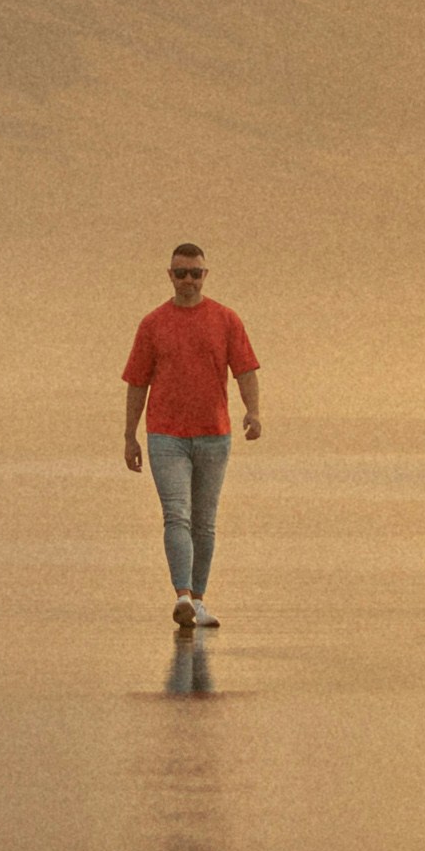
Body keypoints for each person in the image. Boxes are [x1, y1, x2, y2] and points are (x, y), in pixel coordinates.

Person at [117, 242, 263, 632]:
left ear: (205, 275)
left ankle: (198, 600)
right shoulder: (153, 324)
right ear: (169, 275)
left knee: (205, 522)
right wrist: (129, 436)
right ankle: (182, 594)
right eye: (180, 273)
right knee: (176, 514)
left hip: (215, 436)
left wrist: (253, 411)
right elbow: (137, 382)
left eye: (195, 273)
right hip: (166, 436)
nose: (188, 280)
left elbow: (245, 369)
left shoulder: (226, 319)